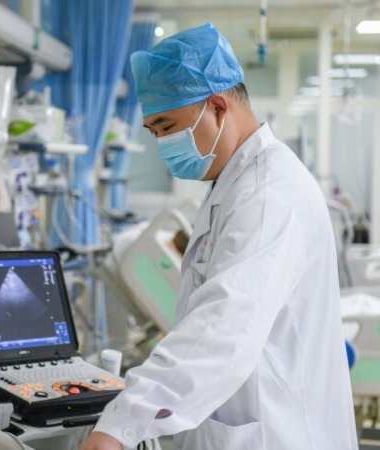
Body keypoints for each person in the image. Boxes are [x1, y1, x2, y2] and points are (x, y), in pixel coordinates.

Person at [80, 22, 357, 450]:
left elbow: (224, 328)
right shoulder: (233, 181)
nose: (163, 144)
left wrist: (121, 425)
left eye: (167, 126)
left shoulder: (267, 196)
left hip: (276, 434)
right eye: (154, 133)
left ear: (217, 107)